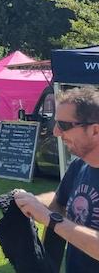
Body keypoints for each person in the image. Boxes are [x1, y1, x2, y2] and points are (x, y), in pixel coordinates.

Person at [14, 86, 99, 271]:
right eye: (55, 123)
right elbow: (61, 201)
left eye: (64, 125)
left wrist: (48, 218)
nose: (56, 132)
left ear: (95, 130)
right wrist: (28, 202)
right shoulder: (79, 166)